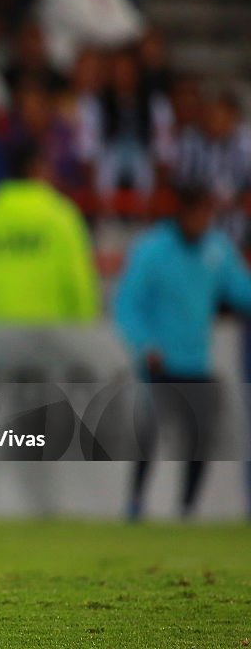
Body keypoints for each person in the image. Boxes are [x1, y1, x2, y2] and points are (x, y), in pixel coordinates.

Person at [114, 187, 251, 520]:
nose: (204, 221)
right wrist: (144, 344)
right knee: (149, 437)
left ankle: (188, 508)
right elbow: (127, 303)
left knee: (200, 440)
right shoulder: (152, 250)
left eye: (208, 214)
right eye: (199, 213)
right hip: (160, 360)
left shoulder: (216, 249)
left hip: (197, 361)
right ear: (183, 212)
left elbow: (241, 291)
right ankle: (135, 504)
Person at [0, 142, 100, 323]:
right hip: (51, 335)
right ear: (37, 168)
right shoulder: (62, 216)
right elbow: (79, 283)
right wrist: (84, 330)